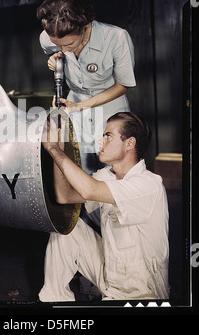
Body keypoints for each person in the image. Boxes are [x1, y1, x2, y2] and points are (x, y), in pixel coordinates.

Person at [39, 112, 170, 301]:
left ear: (129, 143)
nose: (101, 141)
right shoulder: (106, 176)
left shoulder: (148, 185)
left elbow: (89, 190)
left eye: (108, 136)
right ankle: (56, 302)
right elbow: (65, 196)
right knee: (65, 229)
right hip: (109, 275)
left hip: (141, 293)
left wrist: (54, 150)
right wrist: (57, 152)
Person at [36, 0, 136, 175]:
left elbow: (123, 85)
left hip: (110, 106)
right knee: (79, 166)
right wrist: (54, 58)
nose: (64, 49)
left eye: (70, 44)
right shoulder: (48, 37)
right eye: (58, 45)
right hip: (74, 108)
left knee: (114, 170)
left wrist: (80, 106)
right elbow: (56, 49)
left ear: (85, 26)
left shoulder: (116, 37)